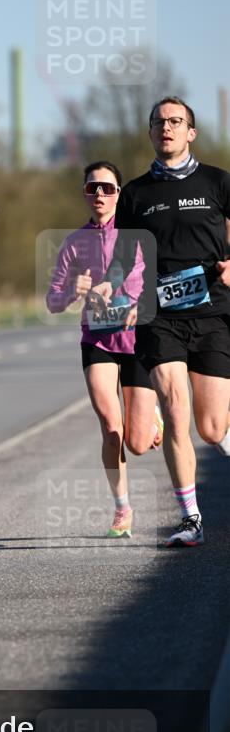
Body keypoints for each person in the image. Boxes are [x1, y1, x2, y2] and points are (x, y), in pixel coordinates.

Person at [91, 97, 230, 547]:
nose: (166, 128)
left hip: (213, 313)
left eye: (175, 121)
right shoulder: (135, 194)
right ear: (150, 132)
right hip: (160, 315)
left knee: (212, 428)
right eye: (158, 122)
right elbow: (123, 255)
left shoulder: (217, 182)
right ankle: (191, 519)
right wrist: (110, 285)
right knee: (173, 409)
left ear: (191, 132)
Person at [46, 161, 163, 538]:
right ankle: (122, 508)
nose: (99, 194)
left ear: (119, 194)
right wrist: (72, 292)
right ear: (84, 193)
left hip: (137, 340)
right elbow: (52, 301)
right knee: (111, 429)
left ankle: (152, 416)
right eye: (92, 188)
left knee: (138, 443)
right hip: (97, 339)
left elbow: (159, 283)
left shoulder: (138, 236)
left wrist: (142, 307)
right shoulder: (74, 242)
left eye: (107, 188)